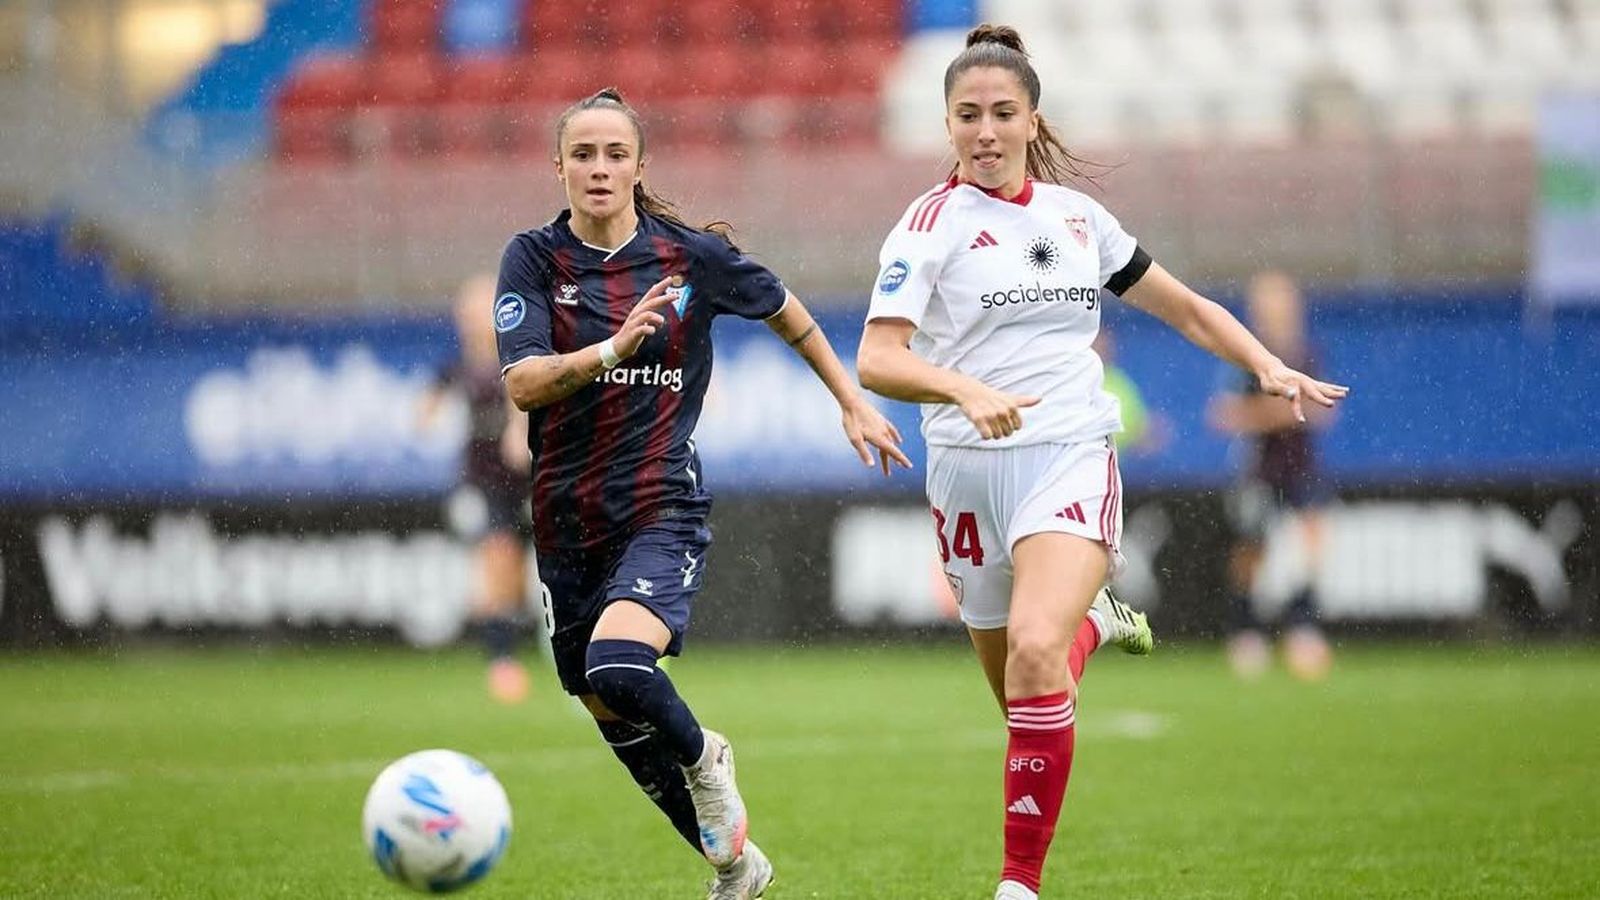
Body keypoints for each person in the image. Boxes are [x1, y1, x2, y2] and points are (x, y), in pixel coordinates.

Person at [855, 25, 1348, 900]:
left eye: (1002, 112)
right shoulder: (928, 227)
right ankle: (1096, 625)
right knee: (1024, 698)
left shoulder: (1077, 220)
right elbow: (877, 358)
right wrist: (962, 389)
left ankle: (1018, 886)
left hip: (1068, 454)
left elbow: (1187, 309)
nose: (985, 131)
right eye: (967, 114)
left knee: (1035, 652)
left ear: (1032, 120)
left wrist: (1265, 365)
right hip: (965, 472)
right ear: (946, 123)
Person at [494, 87, 909, 900]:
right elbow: (523, 383)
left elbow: (786, 310)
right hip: (565, 516)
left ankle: (705, 756)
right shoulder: (534, 259)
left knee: (619, 664)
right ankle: (736, 867)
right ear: (558, 168)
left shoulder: (690, 257)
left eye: (616, 154)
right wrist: (611, 350)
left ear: (640, 166)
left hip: (659, 505)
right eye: (583, 154)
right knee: (605, 704)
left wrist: (850, 399)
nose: (600, 168)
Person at [1207, 270, 1336, 681]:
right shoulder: (1248, 358)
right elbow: (1224, 414)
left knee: (1310, 546)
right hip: (1258, 469)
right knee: (1252, 550)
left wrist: (1271, 414)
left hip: (1303, 466)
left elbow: (1322, 410)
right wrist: (1282, 414)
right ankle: (1245, 630)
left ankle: (1303, 628)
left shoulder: (1307, 353)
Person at [422, 273, 535, 704]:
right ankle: (501, 661)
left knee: (521, 576)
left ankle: (521, 646)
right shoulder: (457, 368)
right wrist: (429, 418)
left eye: (481, 310)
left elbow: (523, 401)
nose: (473, 320)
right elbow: (426, 410)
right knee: (497, 559)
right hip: (486, 481)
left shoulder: (517, 358)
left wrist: (518, 431)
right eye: (467, 312)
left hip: (527, 478)